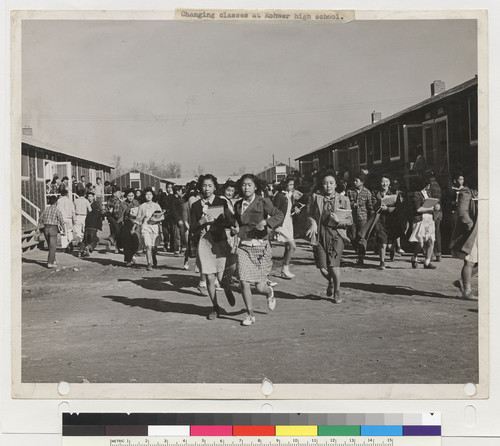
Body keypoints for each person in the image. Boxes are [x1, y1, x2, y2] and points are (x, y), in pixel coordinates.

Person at [233, 174, 284, 326]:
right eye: (243, 185)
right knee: (243, 281)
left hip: (261, 247)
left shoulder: (263, 201)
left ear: (255, 187)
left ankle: (269, 292)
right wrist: (234, 228)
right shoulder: (238, 205)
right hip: (244, 247)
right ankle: (250, 314)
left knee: (260, 287)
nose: (246, 188)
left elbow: (279, 215)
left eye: (249, 185)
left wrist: (267, 222)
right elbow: (237, 222)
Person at [190, 174, 235, 320]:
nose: (207, 189)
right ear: (200, 187)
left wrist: (233, 226)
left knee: (220, 278)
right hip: (204, 243)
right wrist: (200, 221)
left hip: (219, 241)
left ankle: (226, 287)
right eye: (204, 185)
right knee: (209, 278)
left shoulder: (220, 201)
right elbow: (191, 227)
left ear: (215, 187)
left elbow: (230, 220)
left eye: (210, 186)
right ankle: (215, 307)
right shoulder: (196, 205)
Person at [306, 171, 351, 303]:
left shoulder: (344, 200)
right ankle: (331, 281)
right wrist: (313, 223)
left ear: (336, 185)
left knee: (333, 266)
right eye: (325, 183)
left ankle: (337, 291)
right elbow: (309, 214)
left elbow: (350, 221)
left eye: (331, 183)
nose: (328, 186)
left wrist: (338, 221)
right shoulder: (316, 198)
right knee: (322, 268)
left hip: (337, 235)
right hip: (320, 235)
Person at [450, 179, 478, 300]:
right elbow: (462, 212)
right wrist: (470, 225)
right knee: (470, 261)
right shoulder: (467, 192)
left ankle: (462, 281)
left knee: (484, 261)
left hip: (483, 230)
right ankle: (466, 292)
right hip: (471, 232)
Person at [409, 177, 440, 269]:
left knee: (431, 240)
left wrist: (437, 206)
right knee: (421, 243)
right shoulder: (417, 194)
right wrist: (431, 208)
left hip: (429, 219)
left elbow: (433, 204)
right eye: (428, 184)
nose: (429, 186)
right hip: (420, 220)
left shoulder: (429, 193)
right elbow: (418, 209)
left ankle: (427, 262)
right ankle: (414, 257)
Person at [371, 174, 400, 269]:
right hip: (380, 220)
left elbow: (398, 207)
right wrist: (380, 205)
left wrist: (387, 209)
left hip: (391, 220)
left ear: (389, 183)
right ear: (380, 183)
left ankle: (392, 249)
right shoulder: (375, 193)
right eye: (383, 181)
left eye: (386, 181)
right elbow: (373, 206)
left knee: (389, 246)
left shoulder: (394, 193)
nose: (384, 183)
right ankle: (382, 262)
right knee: (382, 242)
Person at [273, 175, 299, 279]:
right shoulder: (279, 195)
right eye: (290, 185)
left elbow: (289, 209)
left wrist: (295, 210)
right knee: (293, 246)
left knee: (288, 246)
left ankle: (285, 268)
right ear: (285, 185)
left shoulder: (290, 194)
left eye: (292, 185)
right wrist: (275, 225)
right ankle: (285, 268)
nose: (291, 187)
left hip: (289, 222)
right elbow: (275, 210)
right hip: (282, 224)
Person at [132, 187, 164, 271]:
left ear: (153, 195)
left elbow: (162, 217)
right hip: (145, 226)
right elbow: (138, 218)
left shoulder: (157, 205)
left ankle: (153, 256)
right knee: (148, 246)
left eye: (150, 194)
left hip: (155, 227)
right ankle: (149, 263)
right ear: (144, 196)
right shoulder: (142, 206)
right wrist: (133, 228)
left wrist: (156, 219)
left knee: (154, 247)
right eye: (146, 194)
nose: (148, 196)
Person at [346, 172, 373, 266]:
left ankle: (361, 257)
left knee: (362, 237)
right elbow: (345, 204)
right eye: (354, 180)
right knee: (352, 237)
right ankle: (357, 251)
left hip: (363, 218)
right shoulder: (349, 192)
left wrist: (371, 218)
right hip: (352, 218)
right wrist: (352, 204)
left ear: (362, 182)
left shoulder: (367, 192)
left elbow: (370, 206)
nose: (354, 182)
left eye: (356, 181)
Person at [38, 195, 65, 268]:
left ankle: (54, 259)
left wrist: (38, 228)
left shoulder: (46, 209)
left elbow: (40, 219)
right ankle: (50, 263)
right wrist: (64, 229)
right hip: (53, 228)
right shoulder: (57, 210)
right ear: (56, 202)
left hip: (45, 228)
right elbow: (61, 221)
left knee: (50, 245)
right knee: (53, 246)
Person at [120, 188, 141, 267]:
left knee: (136, 241)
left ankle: (133, 255)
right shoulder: (123, 204)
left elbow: (140, 214)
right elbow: (121, 215)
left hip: (136, 224)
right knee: (127, 243)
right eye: (129, 196)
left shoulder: (137, 203)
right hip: (126, 224)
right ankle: (128, 259)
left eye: (132, 196)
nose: (130, 197)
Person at [79, 191, 102, 257]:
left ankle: (83, 249)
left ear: (93, 197)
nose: (89, 198)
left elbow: (99, 213)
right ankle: (87, 248)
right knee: (88, 238)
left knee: (91, 238)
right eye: (88, 196)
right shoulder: (85, 203)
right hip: (86, 222)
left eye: (91, 196)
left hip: (93, 223)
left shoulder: (96, 204)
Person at [426, 170, 443, 262]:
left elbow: (429, 198)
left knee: (430, 233)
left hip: (432, 211)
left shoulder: (429, 185)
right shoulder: (438, 185)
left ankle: (431, 254)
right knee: (437, 233)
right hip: (439, 211)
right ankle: (439, 254)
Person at [105, 186, 124, 253]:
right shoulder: (117, 201)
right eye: (118, 192)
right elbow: (116, 212)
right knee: (118, 232)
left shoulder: (109, 199)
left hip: (109, 218)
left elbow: (107, 208)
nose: (120, 194)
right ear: (114, 193)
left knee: (113, 231)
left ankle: (110, 242)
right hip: (116, 218)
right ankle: (115, 246)